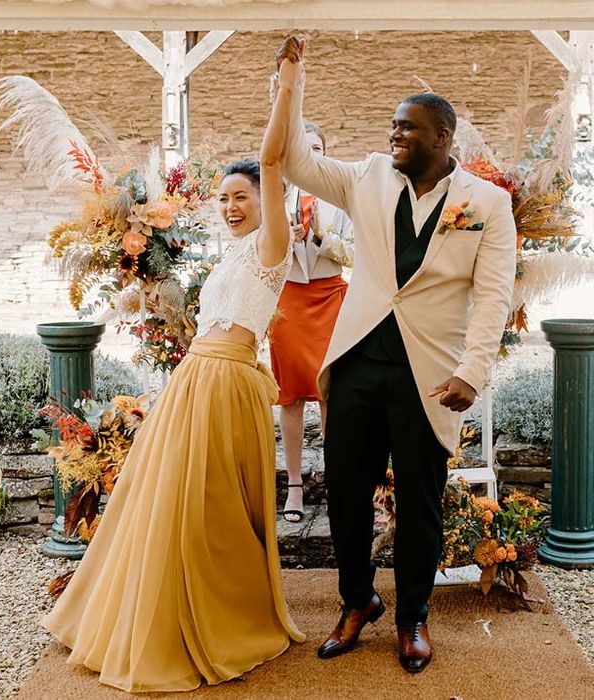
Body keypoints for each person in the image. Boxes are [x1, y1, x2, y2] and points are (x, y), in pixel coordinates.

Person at [42, 52, 305, 693]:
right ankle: (157, 612)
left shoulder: (275, 247)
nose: (231, 206)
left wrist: (288, 89)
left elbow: (273, 161)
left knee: (214, 508)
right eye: (223, 199)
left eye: (241, 196)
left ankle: (222, 612)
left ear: (266, 201)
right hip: (193, 380)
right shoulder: (232, 257)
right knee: (164, 502)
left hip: (232, 380)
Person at [276, 37, 516, 673]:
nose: (393, 136)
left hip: (430, 377)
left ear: (443, 137)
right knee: (347, 496)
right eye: (391, 127)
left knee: (420, 502)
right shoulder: (368, 177)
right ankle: (357, 603)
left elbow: (492, 297)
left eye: (407, 128)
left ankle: (412, 616)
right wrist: (291, 84)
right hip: (356, 363)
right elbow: (294, 160)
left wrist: (473, 370)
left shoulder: (488, 206)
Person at [269, 120, 352, 522]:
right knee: (290, 395)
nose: (312, 156)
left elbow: (355, 254)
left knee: (331, 395)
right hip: (288, 302)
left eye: (318, 149)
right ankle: (296, 485)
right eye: (305, 148)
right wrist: (288, 236)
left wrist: (320, 236)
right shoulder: (275, 196)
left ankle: (339, 481)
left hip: (330, 299)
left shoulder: (344, 197)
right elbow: (260, 256)